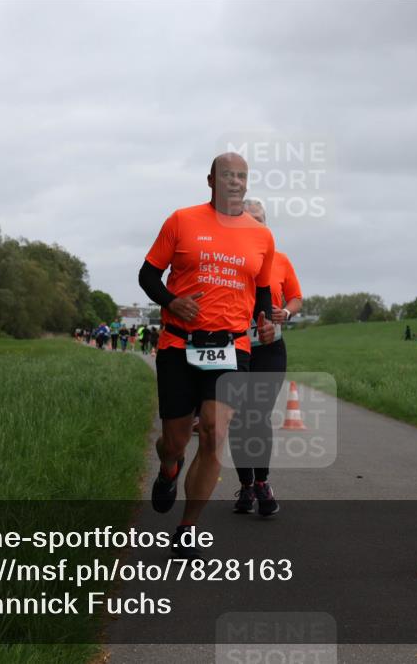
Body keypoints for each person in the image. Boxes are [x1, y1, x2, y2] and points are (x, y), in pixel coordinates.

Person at [137, 152, 276, 559]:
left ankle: (187, 527)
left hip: (232, 346)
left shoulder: (261, 236)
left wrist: (264, 322)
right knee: (176, 440)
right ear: (211, 180)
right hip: (180, 343)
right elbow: (147, 275)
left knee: (214, 432)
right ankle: (168, 469)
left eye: (242, 177)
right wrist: (171, 300)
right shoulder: (181, 220)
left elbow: (262, 292)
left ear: (246, 184)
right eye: (227, 175)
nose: (235, 182)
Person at [229, 199, 302, 517]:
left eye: (261, 220)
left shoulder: (281, 260)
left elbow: (296, 297)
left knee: (257, 415)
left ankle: (262, 482)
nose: (256, 225)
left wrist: (285, 312)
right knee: (237, 419)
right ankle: (245, 485)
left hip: (270, 348)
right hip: (234, 346)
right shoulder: (229, 259)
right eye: (249, 219)